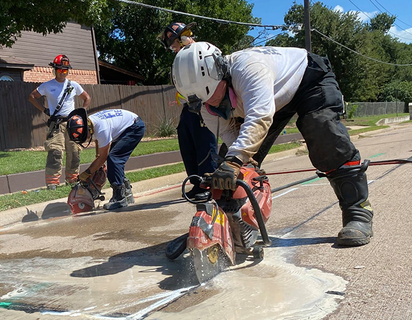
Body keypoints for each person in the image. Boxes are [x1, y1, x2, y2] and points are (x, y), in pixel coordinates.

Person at [172, 41, 374, 246]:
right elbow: (230, 135)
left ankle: (357, 212)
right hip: (270, 99)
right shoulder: (203, 102)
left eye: (214, 95)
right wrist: (240, 162)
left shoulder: (248, 68)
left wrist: (237, 159)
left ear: (221, 73)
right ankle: (230, 227)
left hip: (307, 79)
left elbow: (259, 117)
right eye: (205, 101)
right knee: (229, 166)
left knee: (322, 130)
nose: (212, 104)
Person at [158, 22, 218, 201]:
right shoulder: (181, 59)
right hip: (188, 107)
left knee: (205, 144)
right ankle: (197, 182)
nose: (173, 49)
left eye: (175, 44)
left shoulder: (200, 52)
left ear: (183, 38)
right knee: (187, 145)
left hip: (204, 104)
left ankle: (209, 183)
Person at [29, 55, 92, 190]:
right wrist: (45, 110)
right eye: (60, 70)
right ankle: (52, 183)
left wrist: (81, 114)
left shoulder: (73, 85)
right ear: (55, 70)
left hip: (72, 124)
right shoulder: (47, 85)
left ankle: (72, 180)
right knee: (55, 152)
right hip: (56, 124)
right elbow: (32, 97)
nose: (63, 73)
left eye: (65, 71)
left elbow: (87, 98)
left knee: (74, 152)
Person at [66, 108, 145, 210]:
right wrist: (97, 160)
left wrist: (86, 173)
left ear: (87, 129)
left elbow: (103, 157)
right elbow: (99, 145)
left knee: (114, 158)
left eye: (86, 137)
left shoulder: (101, 129)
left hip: (134, 127)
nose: (86, 140)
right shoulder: (91, 123)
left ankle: (119, 198)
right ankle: (127, 192)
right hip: (127, 126)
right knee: (114, 162)